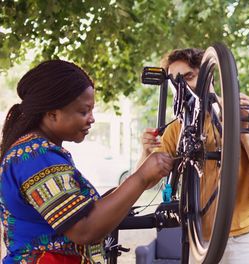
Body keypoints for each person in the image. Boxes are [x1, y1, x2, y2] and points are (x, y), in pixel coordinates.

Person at [0, 60, 174, 263]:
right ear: (52, 114)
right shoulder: (37, 158)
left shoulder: (36, 152)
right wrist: (141, 178)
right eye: (83, 111)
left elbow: (92, 209)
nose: (91, 119)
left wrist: (142, 172)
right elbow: (85, 229)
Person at [139, 48, 249, 263]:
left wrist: (240, 130)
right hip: (200, 243)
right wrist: (145, 152)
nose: (183, 87)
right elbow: (145, 182)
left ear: (209, 75)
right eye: (175, 81)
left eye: (189, 76)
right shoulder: (177, 129)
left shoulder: (245, 111)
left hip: (245, 242)